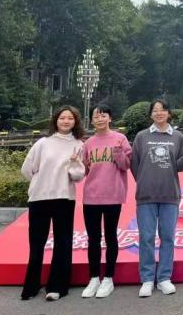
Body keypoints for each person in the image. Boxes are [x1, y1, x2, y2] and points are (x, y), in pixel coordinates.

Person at [20, 106, 86, 301]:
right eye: (62, 118)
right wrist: (40, 182)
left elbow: (78, 176)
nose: (66, 121)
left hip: (64, 198)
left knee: (62, 243)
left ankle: (57, 287)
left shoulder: (78, 145)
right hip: (39, 198)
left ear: (75, 122)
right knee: (36, 243)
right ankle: (31, 286)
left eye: (70, 118)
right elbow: (27, 169)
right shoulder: (43, 143)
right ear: (56, 120)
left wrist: (74, 163)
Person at [130, 99, 183, 297]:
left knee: (167, 237)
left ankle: (164, 278)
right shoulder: (142, 136)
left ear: (169, 113)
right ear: (150, 114)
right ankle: (147, 279)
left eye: (163, 110)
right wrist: (145, 180)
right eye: (155, 110)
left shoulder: (177, 136)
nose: (159, 113)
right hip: (146, 195)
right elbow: (135, 164)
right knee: (146, 238)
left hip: (170, 194)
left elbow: (179, 166)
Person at [80, 104, 132, 299]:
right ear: (91, 120)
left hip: (112, 195)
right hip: (91, 196)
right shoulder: (88, 143)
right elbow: (84, 171)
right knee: (93, 238)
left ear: (110, 118)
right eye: (96, 116)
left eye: (103, 115)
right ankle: (94, 278)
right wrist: (77, 164)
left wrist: (118, 153)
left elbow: (126, 165)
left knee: (110, 237)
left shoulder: (120, 139)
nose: (100, 119)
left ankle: (108, 278)